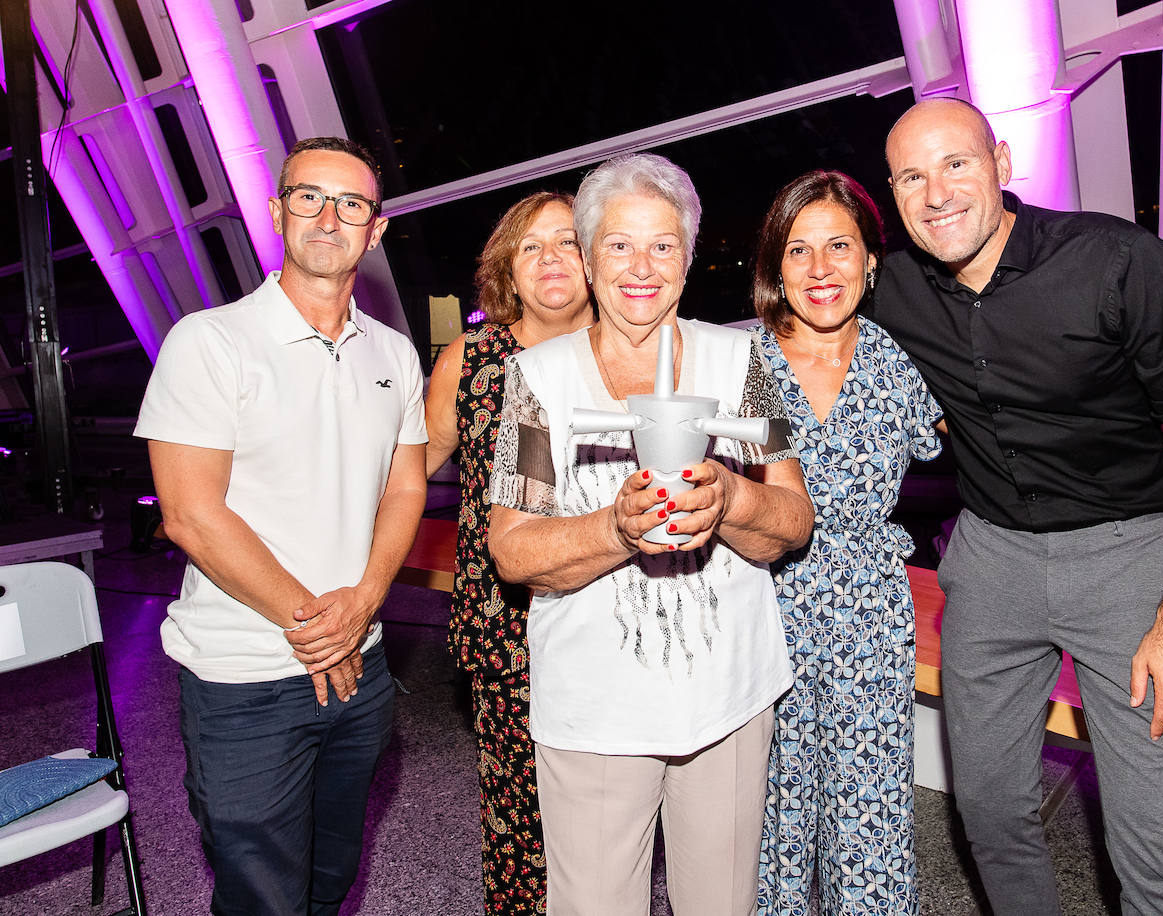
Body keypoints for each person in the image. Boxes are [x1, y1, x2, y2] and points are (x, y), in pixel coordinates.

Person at [873, 98, 1163, 915]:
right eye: (912, 175)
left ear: (1002, 163)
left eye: (956, 164)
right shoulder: (892, 286)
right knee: (990, 814)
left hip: (1132, 561)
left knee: (1154, 847)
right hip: (991, 560)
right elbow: (790, 336)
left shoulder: (1119, 264)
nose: (936, 192)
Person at [485, 152, 814, 916]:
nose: (641, 266)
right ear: (590, 260)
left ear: (689, 259)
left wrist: (731, 497)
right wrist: (615, 527)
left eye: (662, 245)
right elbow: (514, 549)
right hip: (594, 710)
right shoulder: (536, 380)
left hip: (729, 698)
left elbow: (792, 519)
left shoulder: (743, 362)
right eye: (619, 245)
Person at [135, 137, 426, 916]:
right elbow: (193, 516)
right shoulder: (211, 341)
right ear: (277, 211)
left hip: (358, 670)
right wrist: (317, 625)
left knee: (331, 878)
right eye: (310, 197)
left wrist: (361, 605)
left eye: (352, 204)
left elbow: (404, 489)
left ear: (376, 228)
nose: (329, 217)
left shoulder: (395, 355)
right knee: (262, 892)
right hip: (244, 678)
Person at [750, 170, 942, 915]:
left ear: (870, 261)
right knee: (771, 815)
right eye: (799, 251)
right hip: (761, 606)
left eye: (840, 247)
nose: (821, 269)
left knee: (871, 814)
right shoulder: (742, 364)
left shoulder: (904, 362)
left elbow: (999, 441)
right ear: (775, 265)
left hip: (868, 610)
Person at [423, 191, 594, 914]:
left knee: (608, 807)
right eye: (531, 246)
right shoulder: (472, 358)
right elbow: (410, 474)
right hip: (506, 623)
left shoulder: (630, 349)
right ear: (507, 268)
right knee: (519, 810)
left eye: (568, 241)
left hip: (610, 611)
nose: (551, 258)